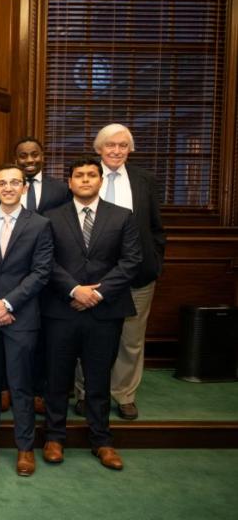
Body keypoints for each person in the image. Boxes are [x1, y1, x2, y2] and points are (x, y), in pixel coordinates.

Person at [42, 158, 142, 471]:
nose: (85, 180)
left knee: (99, 378)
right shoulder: (50, 218)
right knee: (57, 377)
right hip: (62, 309)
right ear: (69, 182)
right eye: (78, 176)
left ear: (100, 180)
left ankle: (102, 440)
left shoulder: (122, 216)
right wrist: (75, 290)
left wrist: (96, 293)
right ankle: (55, 436)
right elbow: (46, 262)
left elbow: (131, 261)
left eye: (91, 175)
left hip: (105, 311)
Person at [0, 164, 53, 477]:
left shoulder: (40, 225)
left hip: (21, 315)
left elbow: (41, 272)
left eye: (15, 182)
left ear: (24, 188)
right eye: (2, 183)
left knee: (21, 385)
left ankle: (25, 447)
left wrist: (8, 303)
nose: (8, 187)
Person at [74, 124, 165, 421]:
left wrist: (155, 261)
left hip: (136, 275)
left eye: (123, 145)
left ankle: (124, 394)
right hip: (91, 276)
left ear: (130, 149)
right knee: (87, 336)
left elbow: (155, 227)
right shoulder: (85, 175)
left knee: (131, 338)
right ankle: (85, 392)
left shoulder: (144, 180)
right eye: (110, 145)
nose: (116, 150)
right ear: (99, 148)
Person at [14, 136, 72, 414]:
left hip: (49, 274)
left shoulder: (60, 190)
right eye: (23, 156)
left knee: (44, 337)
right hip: (13, 275)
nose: (29, 160)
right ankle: (7, 388)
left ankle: (39, 390)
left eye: (34, 155)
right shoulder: (8, 186)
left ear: (43, 156)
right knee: (13, 334)